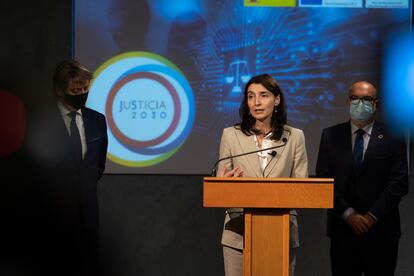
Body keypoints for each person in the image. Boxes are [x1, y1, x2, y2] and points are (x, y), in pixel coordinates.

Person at [217, 74, 308, 276]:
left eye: (263, 95)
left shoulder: (294, 137)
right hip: (238, 233)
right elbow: (221, 182)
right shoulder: (230, 135)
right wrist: (224, 185)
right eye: (250, 96)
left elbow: (302, 189)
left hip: (281, 232)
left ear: (277, 100)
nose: (256, 102)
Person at [316, 81, 409, 276]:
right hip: (343, 231)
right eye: (355, 98)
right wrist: (349, 214)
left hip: (382, 231)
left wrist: (371, 216)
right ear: (347, 102)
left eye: (366, 99)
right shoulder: (330, 135)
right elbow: (323, 182)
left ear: (376, 104)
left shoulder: (394, 136)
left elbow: (399, 183)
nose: (360, 103)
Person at [28, 60, 108, 275]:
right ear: (59, 90)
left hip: (89, 216)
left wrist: (86, 184)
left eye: (85, 89)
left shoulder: (97, 121)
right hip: (51, 219)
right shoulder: (40, 121)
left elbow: (98, 164)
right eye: (75, 89)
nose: (82, 93)